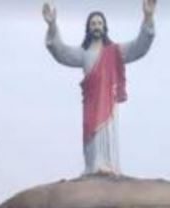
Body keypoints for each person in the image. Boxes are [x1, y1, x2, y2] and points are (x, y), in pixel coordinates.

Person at [43, 0, 156, 175]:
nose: (97, 26)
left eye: (100, 23)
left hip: (108, 103)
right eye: (93, 23)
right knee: (90, 134)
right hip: (90, 104)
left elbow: (138, 47)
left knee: (107, 132)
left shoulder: (114, 51)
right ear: (88, 28)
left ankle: (108, 166)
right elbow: (61, 52)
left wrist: (148, 17)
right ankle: (92, 167)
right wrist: (52, 26)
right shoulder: (83, 53)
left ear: (105, 27)